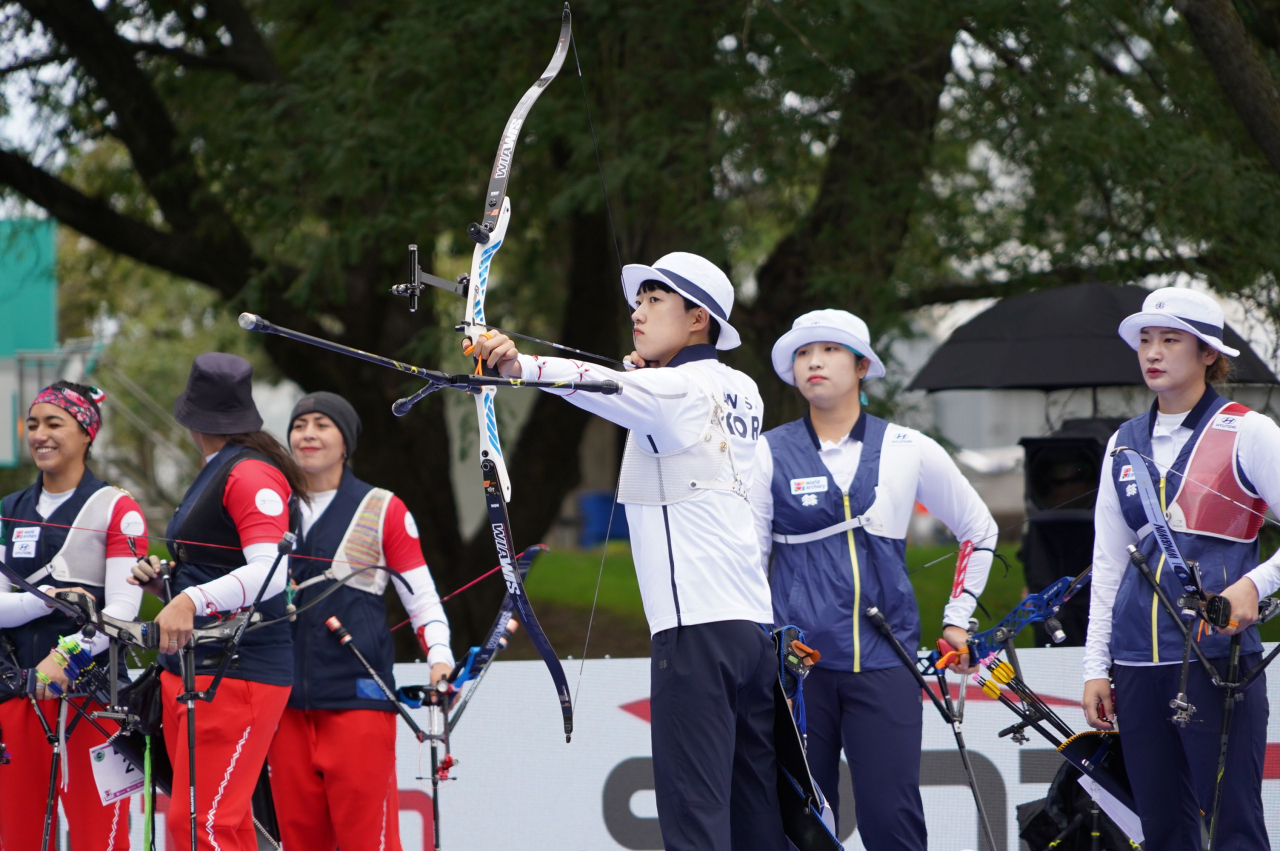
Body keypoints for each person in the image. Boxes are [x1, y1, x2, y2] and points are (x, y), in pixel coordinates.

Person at [469, 252, 785, 851]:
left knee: (695, 821)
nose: (638, 313)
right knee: (754, 818)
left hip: (695, 635)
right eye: (638, 302)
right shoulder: (737, 388)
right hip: (750, 633)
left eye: (655, 301)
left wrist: (516, 364)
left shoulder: (676, 389)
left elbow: (606, 387)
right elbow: (652, 405)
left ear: (698, 319)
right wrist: (643, 378)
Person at [748, 309, 997, 849]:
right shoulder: (764, 452)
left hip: (886, 665)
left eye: (831, 350)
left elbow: (980, 529)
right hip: (797, 674)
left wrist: (958, 619)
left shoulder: (909, 447)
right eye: (803, 353)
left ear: (863, 365)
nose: (814, 361)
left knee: (893, 822)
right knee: (802, 825)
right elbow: (748, 560)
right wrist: (762, 653)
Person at [1081, 287, 1276, 849]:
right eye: (1145, 340)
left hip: (1219, 659)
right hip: (1136, 665)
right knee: (1163, 830)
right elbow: (1108, 563)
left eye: (1170, 340)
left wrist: (1253, 584)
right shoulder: (1122, 443)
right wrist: (1098, 665)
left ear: (1209, 352)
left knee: (1234, 825)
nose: (1153, 353)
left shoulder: (1250, 431)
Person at [130, 353, 306, 851]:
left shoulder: (248, 474)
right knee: (207, 824)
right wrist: (167, 587)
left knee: (204, 825)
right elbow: (222, 568)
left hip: (237, 673)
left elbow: (272, 574)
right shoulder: (221, 469)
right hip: (204, 671)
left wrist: (189, 598)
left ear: (189, 417)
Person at [266, 391, 454, 850]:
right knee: (297, 840)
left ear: (346, 441)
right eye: (299, 425)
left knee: (367, 840)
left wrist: (441, 657)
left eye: (322, 424)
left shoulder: (382, 507)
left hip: (358, 705)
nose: (308, 434)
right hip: (284, 706)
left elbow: (422, 599)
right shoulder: (270, 508)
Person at [0, 381, 144, 851]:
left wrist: (68, 656)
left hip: (95, 697)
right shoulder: (8, 511)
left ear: (87, 433)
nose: (40, 434)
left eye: (54, 423)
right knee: (16, 833)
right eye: (34, 424)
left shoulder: (118, 508)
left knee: (99, 837)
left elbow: (123, 610)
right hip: (17, 692)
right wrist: (44, 599)